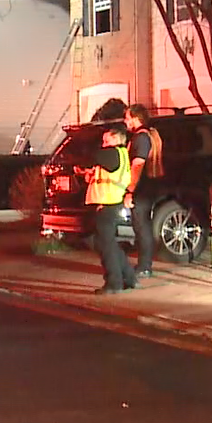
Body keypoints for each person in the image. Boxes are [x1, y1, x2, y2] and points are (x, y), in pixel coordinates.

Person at [80, 122, 135, 294]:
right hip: (109, 202)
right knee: (106, 243)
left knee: (105, 244)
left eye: (106, 140)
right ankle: (128, 277)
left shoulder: (113, 153)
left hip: (108, 203)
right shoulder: (119, 154)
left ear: (116, 139)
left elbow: (90, 155)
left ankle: (114, 283)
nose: (103, 144)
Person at [125, 103, 164, 280]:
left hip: (141, 188)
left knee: (141, 226)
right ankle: (144, 264)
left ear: (135, 118)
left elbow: (137, 165)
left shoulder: (140, 138)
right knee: (143, 225)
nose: (125, 121)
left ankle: (144, 266)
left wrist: (130, 190)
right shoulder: (151, 134)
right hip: (150, 186)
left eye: (127, 117)